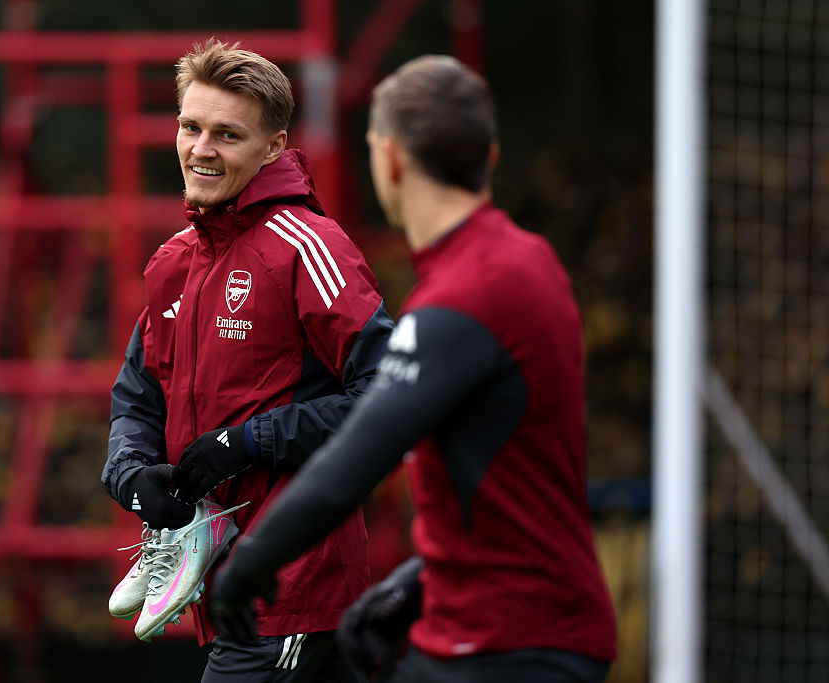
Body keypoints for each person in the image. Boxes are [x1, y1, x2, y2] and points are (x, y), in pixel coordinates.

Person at [208, 55, 618, 682]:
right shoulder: (528, 262)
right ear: (492, 156)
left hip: (510, 652)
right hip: (489, 633)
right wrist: (417, 583)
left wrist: (247, 567)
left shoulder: (469, 292)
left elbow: (357, 459)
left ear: (391, 159)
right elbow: (506, 478)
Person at [100, 38, 394, 681]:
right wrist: (131, 474)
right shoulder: (175, 260)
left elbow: (387, 393)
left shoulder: (307, 244)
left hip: (294, 585)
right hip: (230, 587)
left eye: (227, 135)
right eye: (190, 126)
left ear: (274, 147)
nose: (201, 149)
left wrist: (247, 442)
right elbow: (138, 396)